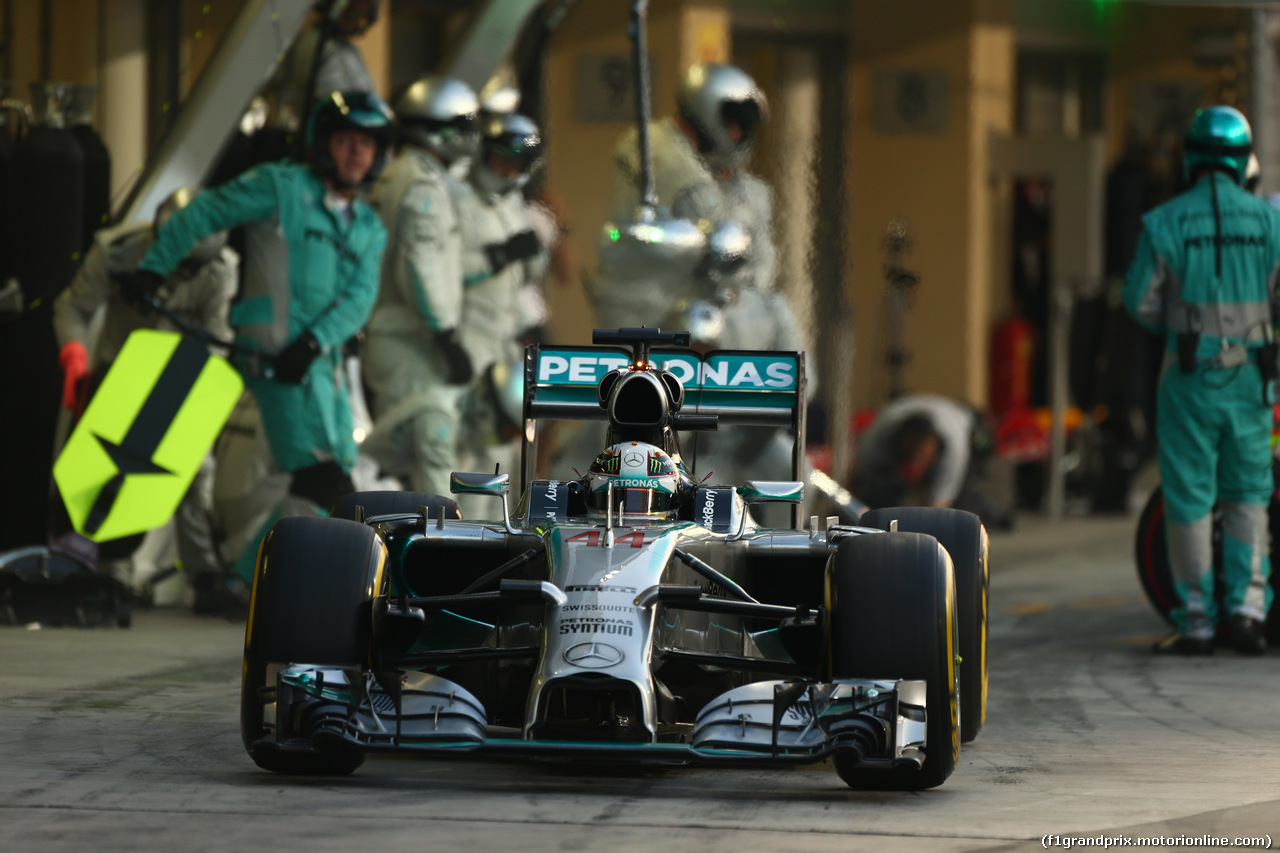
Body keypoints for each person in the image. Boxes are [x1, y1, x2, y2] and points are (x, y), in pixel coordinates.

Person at [126, 90, 392, 530]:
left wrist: (314, 342)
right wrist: (155, 267)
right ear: (323, 141)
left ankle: (250, 578)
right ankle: (274, 585)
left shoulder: (368, 227)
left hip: (323, 370)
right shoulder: (279, 186)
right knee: (325, 483)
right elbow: (204, 212)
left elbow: (361, 298)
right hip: (271, 364)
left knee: (335, 484)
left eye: (367, 143)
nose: (356, 152)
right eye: (346, 139)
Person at [1122, 105, 1280, 657]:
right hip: (1253, 378)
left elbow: (1139, 303)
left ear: (1189, 158)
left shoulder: (1164, 221)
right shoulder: (1270, 220)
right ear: (1242, 161)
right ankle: (1248, 615)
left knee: (1190, 498)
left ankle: (1197, 623)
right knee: (1249, 495)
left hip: (1188, 376)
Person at [53, 187, 237, 609]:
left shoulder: (222, 269)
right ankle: (99, 568)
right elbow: (72, 307)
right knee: (97, 471)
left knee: (193, 470)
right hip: (118, 376)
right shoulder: (117, 252)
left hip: (179, 380)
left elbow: (218, 339)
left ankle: (204, 575)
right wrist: (74, 353)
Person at [361, 77, 478, 497]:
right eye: (463, 126)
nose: (469, 137)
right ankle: (431, 555)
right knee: (425, 460)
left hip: (400, 339)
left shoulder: (400, 174)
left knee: (412, 464)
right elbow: (420, 265)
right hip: (412, 344)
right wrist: (445, 336)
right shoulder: (421, 184)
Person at [452, 111, 548, 511]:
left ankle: (498, 541)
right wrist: (501, 253)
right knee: (469, 453)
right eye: (501, 161)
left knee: (506, 456)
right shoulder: (457, 196)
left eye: (517, 164)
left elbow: (524, 280)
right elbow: (443, 268)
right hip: (466, 337)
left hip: (506, 341)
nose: (508, 171)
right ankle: (462, 541)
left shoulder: (512, 202)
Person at [850, 394, 999, 520]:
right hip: (909, 412)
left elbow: (939, 506)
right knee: (876, 495)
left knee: (959, 508)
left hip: (961, 419)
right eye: (912, 454)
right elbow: (857, 478)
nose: (916, 463)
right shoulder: (877, 438)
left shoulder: (955, 447)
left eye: (922, 457)